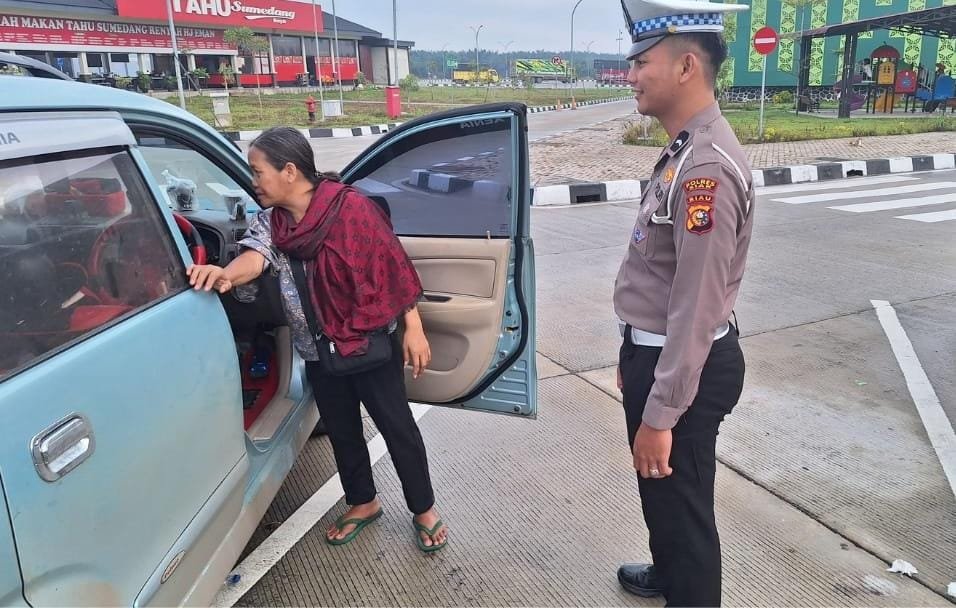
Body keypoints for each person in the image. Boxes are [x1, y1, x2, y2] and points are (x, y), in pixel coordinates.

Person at [186, 127, 449, 552]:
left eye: (258, 171)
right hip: (316, 347)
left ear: (289, 171)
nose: (253, 181)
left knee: (398, 429)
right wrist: (225, 275)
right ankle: (363, 502)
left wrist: (414, 328)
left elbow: (392, 265)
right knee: (342, 432)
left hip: (367, 342)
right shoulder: (272, 222)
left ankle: (423, 509)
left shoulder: (352, 209)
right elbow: (256, 256)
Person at [612, 0, 755, 605]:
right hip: (657, 355)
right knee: (660, 490)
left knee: (685, 505)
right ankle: (669, 571)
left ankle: (688, 584)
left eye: (641, 62)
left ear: (686, 66)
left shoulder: (705, 171)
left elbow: (696, 308)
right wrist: (632, 353)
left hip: (684, 367)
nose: (631, 76)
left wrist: (661, 413)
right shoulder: (683, 149)